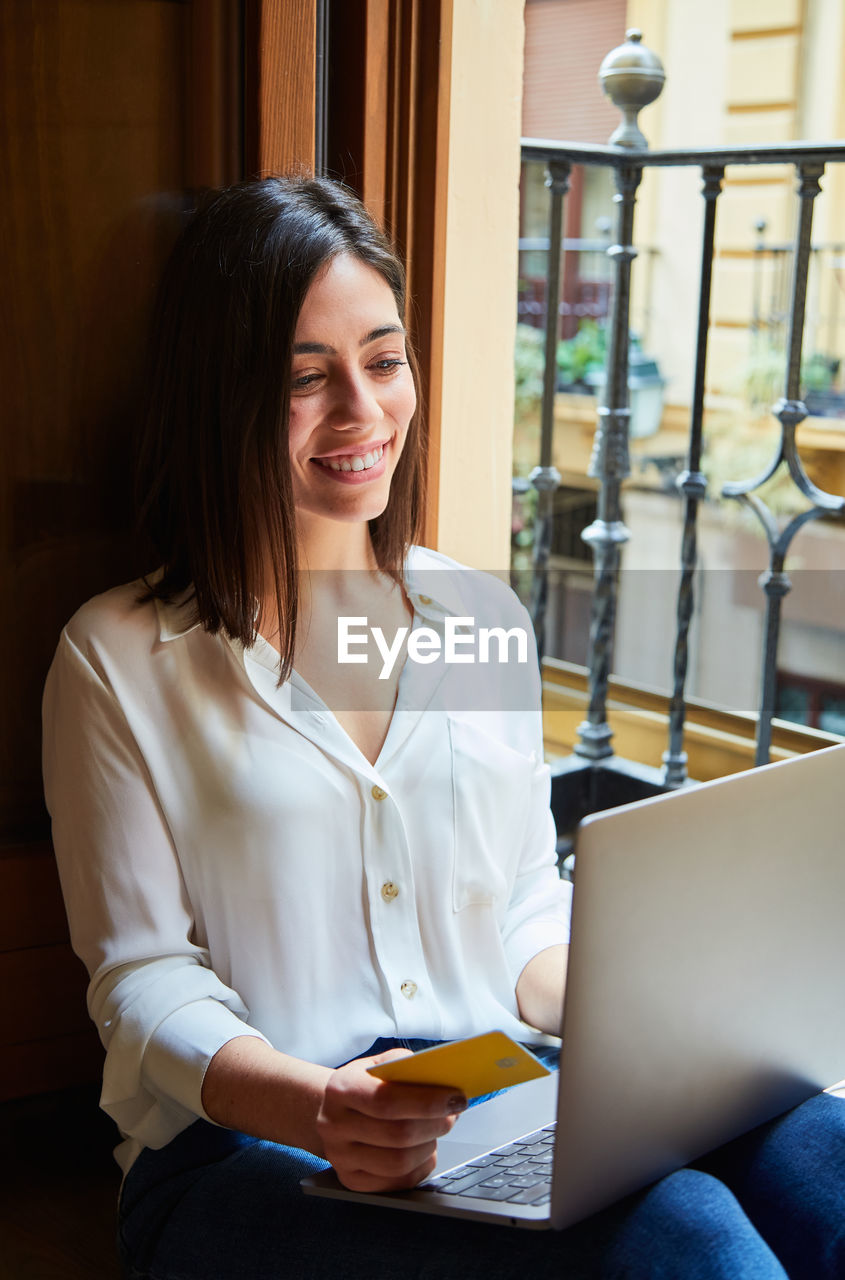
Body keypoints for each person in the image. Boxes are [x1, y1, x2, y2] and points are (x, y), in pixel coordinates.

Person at [43, 176, 845, 1280]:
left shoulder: (479, 618)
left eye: (383, 360)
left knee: (825, 1153)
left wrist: (644, 1015)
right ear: (218, 396)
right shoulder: (121, 655)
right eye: (303, 378)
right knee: (688, 1238)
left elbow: (518, 902)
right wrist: (314, 1103)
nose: (362, 413)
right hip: (246, 1150)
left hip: (499, 1087)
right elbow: (140, 979)